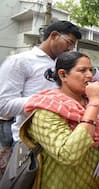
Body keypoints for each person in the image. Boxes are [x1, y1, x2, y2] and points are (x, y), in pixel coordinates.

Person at [0, 20, 81, 178]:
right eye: (69, 43)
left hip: (62, 141)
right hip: (30, 143)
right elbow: (3, 105)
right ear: (54, 36)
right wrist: (46, 101)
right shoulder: (20, 61)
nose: (70, 49)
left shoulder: (64, 64)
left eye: (73, 46)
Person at [21, 51, 99, 188]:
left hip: (95, 181)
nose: (90, 75)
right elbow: (68, 154)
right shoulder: (46, 109)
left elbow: (96, 139)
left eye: (91, 70)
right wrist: (94, 102)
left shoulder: (87, 103)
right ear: (63, 75)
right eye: (82, 70)